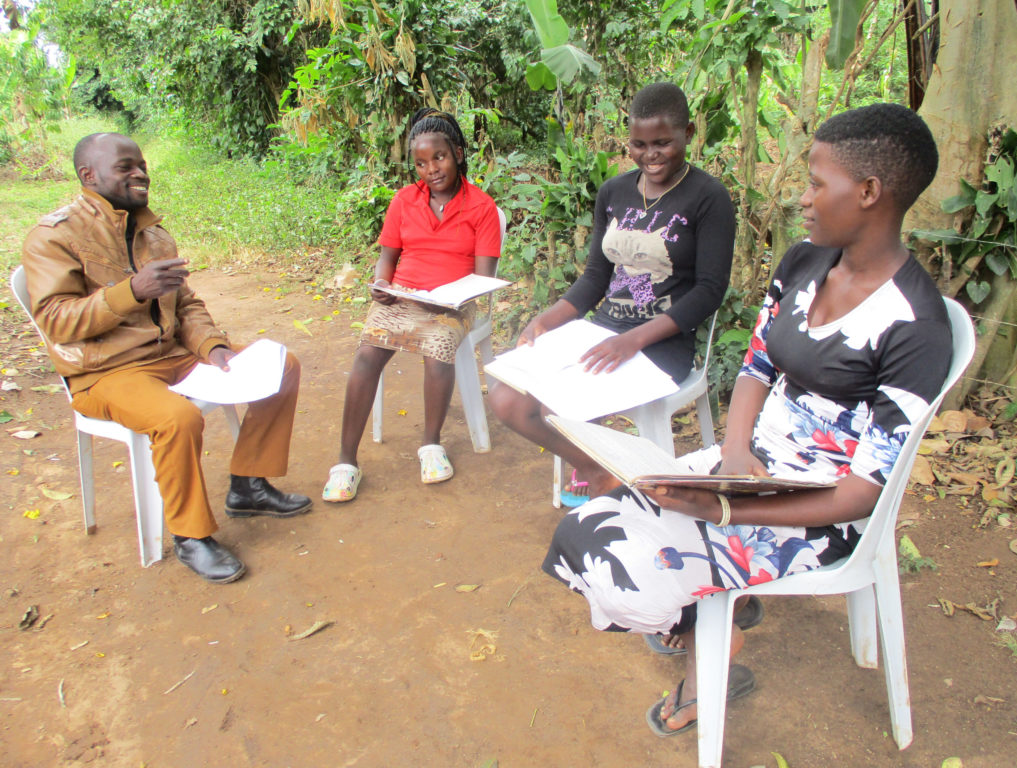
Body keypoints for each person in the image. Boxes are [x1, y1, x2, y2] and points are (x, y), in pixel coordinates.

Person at [541, 102, 952, 737]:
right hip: (742, 471)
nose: (803, 199)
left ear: (870, 192)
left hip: (814, 510)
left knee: (623, 578)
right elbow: (758, 368)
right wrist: (732, 455)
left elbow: (859, 494)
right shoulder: (805, 263)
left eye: (818, 182)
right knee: (579, 532)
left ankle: (710, 641)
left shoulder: (914, 327)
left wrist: (727, 510)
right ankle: (708, 626)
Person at [21, 132, 312, 584]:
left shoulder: (154, 234)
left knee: (281, 366)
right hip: (105, 372)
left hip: (172, 354)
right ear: (88, 175)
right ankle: (190, 536)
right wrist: (132, 292)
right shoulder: (53, 238)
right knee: (177, 418)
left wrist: (212, 347)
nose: (140, 173)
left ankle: (248, 485)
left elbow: (187, 305)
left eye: (141, 164)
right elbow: (57, 321)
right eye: (125, 167)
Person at [487, 82, 734, 506]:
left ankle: (601, 476)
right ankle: (599, 468)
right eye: (639, 144)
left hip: (661, 345)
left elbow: (710, 291)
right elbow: (596, 279)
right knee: (506, 397)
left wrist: (632, 340)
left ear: (689, 133)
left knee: (559, 400)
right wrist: (547, 320)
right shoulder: (614, 192)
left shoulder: (708, 198)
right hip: (601, 332)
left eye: (662, 143)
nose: (650, 155)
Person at [321, 108, 501, 503]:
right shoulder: (404, 201)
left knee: (438, 352)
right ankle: (345, 463)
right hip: (405, 296)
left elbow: (484, 280)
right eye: (421, 163)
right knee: (367, 354)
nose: (431, 169)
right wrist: (383, 283)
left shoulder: (482, 207)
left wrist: (456, 298)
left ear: (456, 152)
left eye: (439, 157)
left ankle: (430, 446)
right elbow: (387, 257)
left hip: (455, 303)